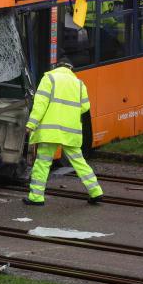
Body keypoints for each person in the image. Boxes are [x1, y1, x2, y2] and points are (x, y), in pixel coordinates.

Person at [23, 58, 103, 206]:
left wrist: (31, 125)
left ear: (56, 66)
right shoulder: (79, 84)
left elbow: (40, 104)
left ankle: (36, 197)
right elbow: (85, 107)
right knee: (79, 162)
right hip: (71, 131)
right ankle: (95, 191)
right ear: (71, 69)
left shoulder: (49, 78)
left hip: (50, 131)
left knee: (42, 163)